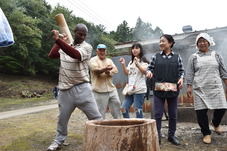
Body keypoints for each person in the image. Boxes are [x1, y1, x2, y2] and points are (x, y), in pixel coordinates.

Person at [47, 23, 103, 151]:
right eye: (80, 34)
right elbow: (52, 55)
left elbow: (75, 55)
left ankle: (101, 139)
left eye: (85, 35)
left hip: (82, 88)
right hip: (65, 90)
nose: (82, 37)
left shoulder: (87, 47)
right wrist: (60, 41)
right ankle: (58, 141)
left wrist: (58, 40)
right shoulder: (66, 46)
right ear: (74, 32)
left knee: (96, 117)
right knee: (62, 119)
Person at [186, 33, 227, 144]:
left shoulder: (216, 55)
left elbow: (223, 71)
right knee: (201, 112)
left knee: (222, 107)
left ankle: (215, 123)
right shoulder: (194, 57)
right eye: (200, 41)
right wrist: (189, 86)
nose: (202, 43)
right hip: (200, 88)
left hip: (216, 86)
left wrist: (226, 83)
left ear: (209, 42)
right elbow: (190, 73)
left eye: (204, 41)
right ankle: (206, 133)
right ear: (197, 44)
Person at [146, 34, 184, 145]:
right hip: (158, 90)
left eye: (163, 41)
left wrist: (181, 79)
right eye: (160, 41)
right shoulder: (155, 56)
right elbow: (149, 68)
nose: (160, 43)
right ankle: (157, 135)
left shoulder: (177, 57)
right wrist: (149, 73)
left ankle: (171, 136)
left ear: (170, 43)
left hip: (173, 90)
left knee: (173, 114)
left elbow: (181, 72)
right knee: (158, 114)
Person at [89, 44, 122, 119]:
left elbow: (115, 70)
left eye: (104, 50)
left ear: (106, 51)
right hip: (99, 90)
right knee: (100, 112)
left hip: (111, 89)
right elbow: (96, 70)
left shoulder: (109, 60)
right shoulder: (93, 60)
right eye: (100, 50)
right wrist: (105, 69)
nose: (102, 52)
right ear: (97, 51)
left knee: (117, 104)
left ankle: (119, 123)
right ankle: (100, 128)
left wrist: (109, 72)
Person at [119, 43, 148, 118]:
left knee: (137, 110)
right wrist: (123, 64)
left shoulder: (144, 62)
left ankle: (140, 127)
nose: (134, 50)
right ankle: (130, 125)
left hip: (139, 89)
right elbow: (127, 73)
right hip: (130, 89)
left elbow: (145, 72)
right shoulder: (130, 62)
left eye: (136, 48)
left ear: (140, 50)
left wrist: (137, 64)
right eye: (133, 48)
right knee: (123, 108)